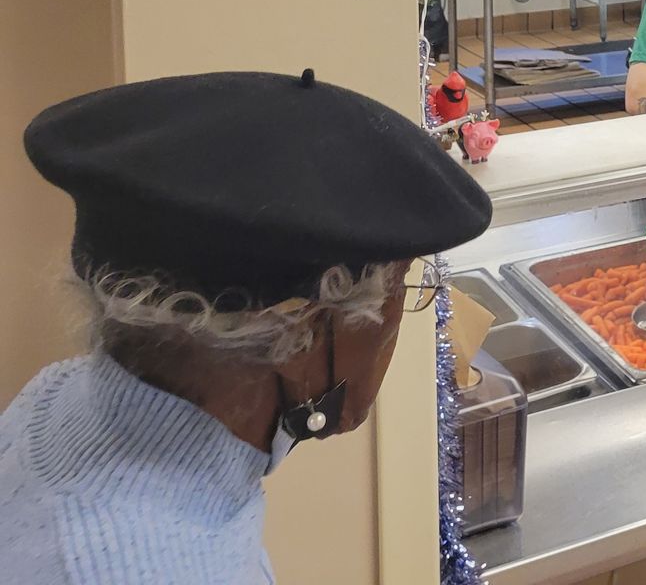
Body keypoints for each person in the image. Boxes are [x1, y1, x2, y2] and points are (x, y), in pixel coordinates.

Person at [0, 69, 493, 583]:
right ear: (297, 333)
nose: (400, 315)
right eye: (402, 284)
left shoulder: (53, 400)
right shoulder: (158, 568)